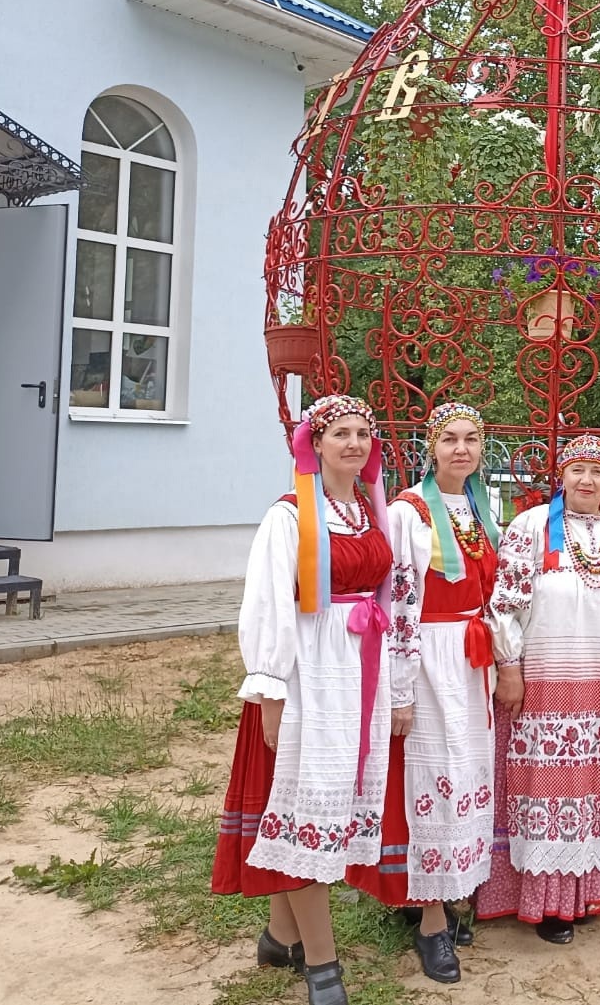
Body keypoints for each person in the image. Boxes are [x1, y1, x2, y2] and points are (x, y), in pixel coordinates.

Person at [210, 395, 394, 1005]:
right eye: (340, 433)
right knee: (307, 807)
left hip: (362, 668)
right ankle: (322, 963)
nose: (354, 443)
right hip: (309, 671)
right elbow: (267, 603)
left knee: (333, 805)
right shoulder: (290, 516)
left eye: (363, 433)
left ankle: (280, 936)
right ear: (315, 444)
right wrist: (270, 690)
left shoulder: (371, 511)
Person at [345, 402, 502, 982]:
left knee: (467, 775)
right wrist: (401, 688)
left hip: (471, 658)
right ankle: (431, 921)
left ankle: (448, 894)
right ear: (431, 448)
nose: (461, 449)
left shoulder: (482, 506)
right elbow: (400, 605)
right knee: (432, 779)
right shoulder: (409, 511)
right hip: (430, 657)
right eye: (449, 439)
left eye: (471, 439)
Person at [477, 434, 600, 943]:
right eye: (577, 470)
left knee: (593, 789)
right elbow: (504, 603)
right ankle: (546, 902)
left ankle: (584, 893)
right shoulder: (531, 528)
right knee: (544, 790)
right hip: (543, 685)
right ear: (562, 477)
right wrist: (509, 667)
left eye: (597, 471)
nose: (586, 480)